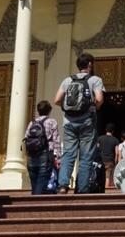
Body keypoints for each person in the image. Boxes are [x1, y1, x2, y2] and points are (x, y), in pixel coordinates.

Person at [53, 52, 104, 195]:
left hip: (69, 123)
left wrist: (69, 109)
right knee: (86, 156)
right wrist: (93, 107)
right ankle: (82, 189)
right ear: (89, 65)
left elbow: (56, 100)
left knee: (68, 154)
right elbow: (99, 99)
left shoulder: (67, 80)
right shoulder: (95, 80)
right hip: (87, 122)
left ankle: (62, 186)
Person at [23, 100, 60, 195]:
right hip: (45, 156)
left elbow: (26, 138)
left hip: (31, 157)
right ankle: (35, 205)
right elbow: (56, 141)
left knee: (34, 183)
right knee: (41, 184)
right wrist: (58, 158)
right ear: (49, 111)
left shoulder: (32, 123)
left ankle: (33, 204)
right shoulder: (52, 122)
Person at [98, 123, 119, 190]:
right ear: (113, 131)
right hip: (110, 161)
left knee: (100, 175)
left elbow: (97, 149)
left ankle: (99, 190)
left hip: (101, 160)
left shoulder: (100, 138)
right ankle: (106, 191)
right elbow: (117, 153)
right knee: (107, 177)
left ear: (106, 130)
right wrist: (115, 161)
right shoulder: (115, 140)